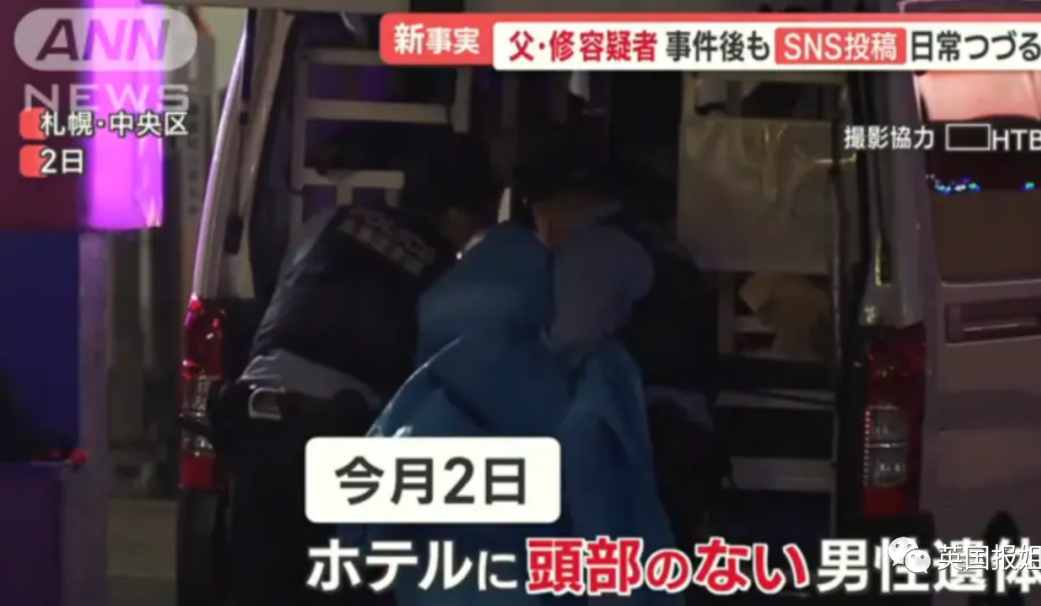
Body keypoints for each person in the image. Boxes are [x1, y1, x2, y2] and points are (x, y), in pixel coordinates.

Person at [222, 131, 502, 606]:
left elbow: (281, 305)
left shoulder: (327, 223)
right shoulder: (446, 277)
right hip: (337, 438)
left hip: (254, 422)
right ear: (458, 215)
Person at [514, 132, 722, 556]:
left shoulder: (596, 251)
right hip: (676, 441)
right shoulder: (651, 238)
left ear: (549, 208)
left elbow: (565, 349)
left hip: (635, 449)